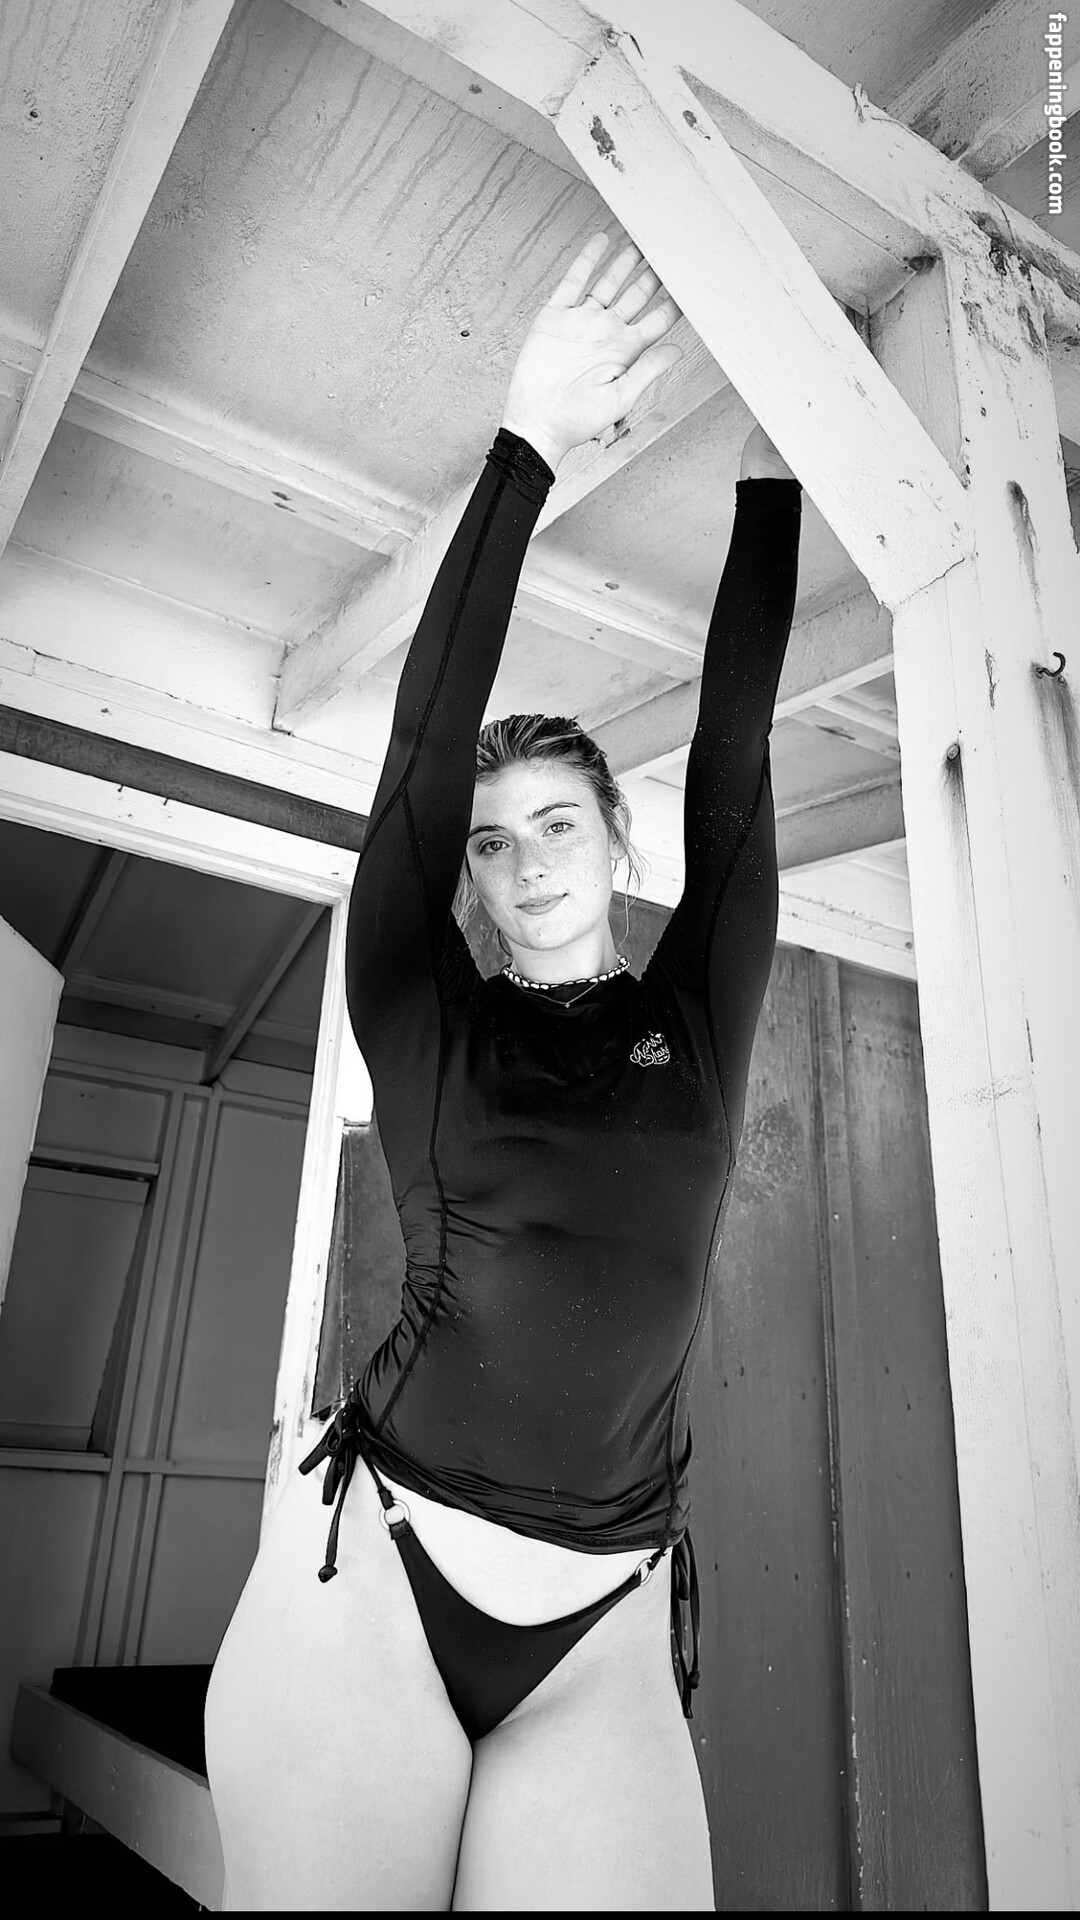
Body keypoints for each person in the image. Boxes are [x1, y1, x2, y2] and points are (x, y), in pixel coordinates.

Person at [203, 230, 801, 1912]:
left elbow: (739, 754)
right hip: (381, 1573)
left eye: (556, 824)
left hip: (606, 1618)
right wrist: (525, 442)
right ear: (460, 875)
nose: (525, 861)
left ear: (615, 839)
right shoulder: (423, 1013)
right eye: (489, 841)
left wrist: (773, 478)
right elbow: (411, 760)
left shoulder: (698, 1021)